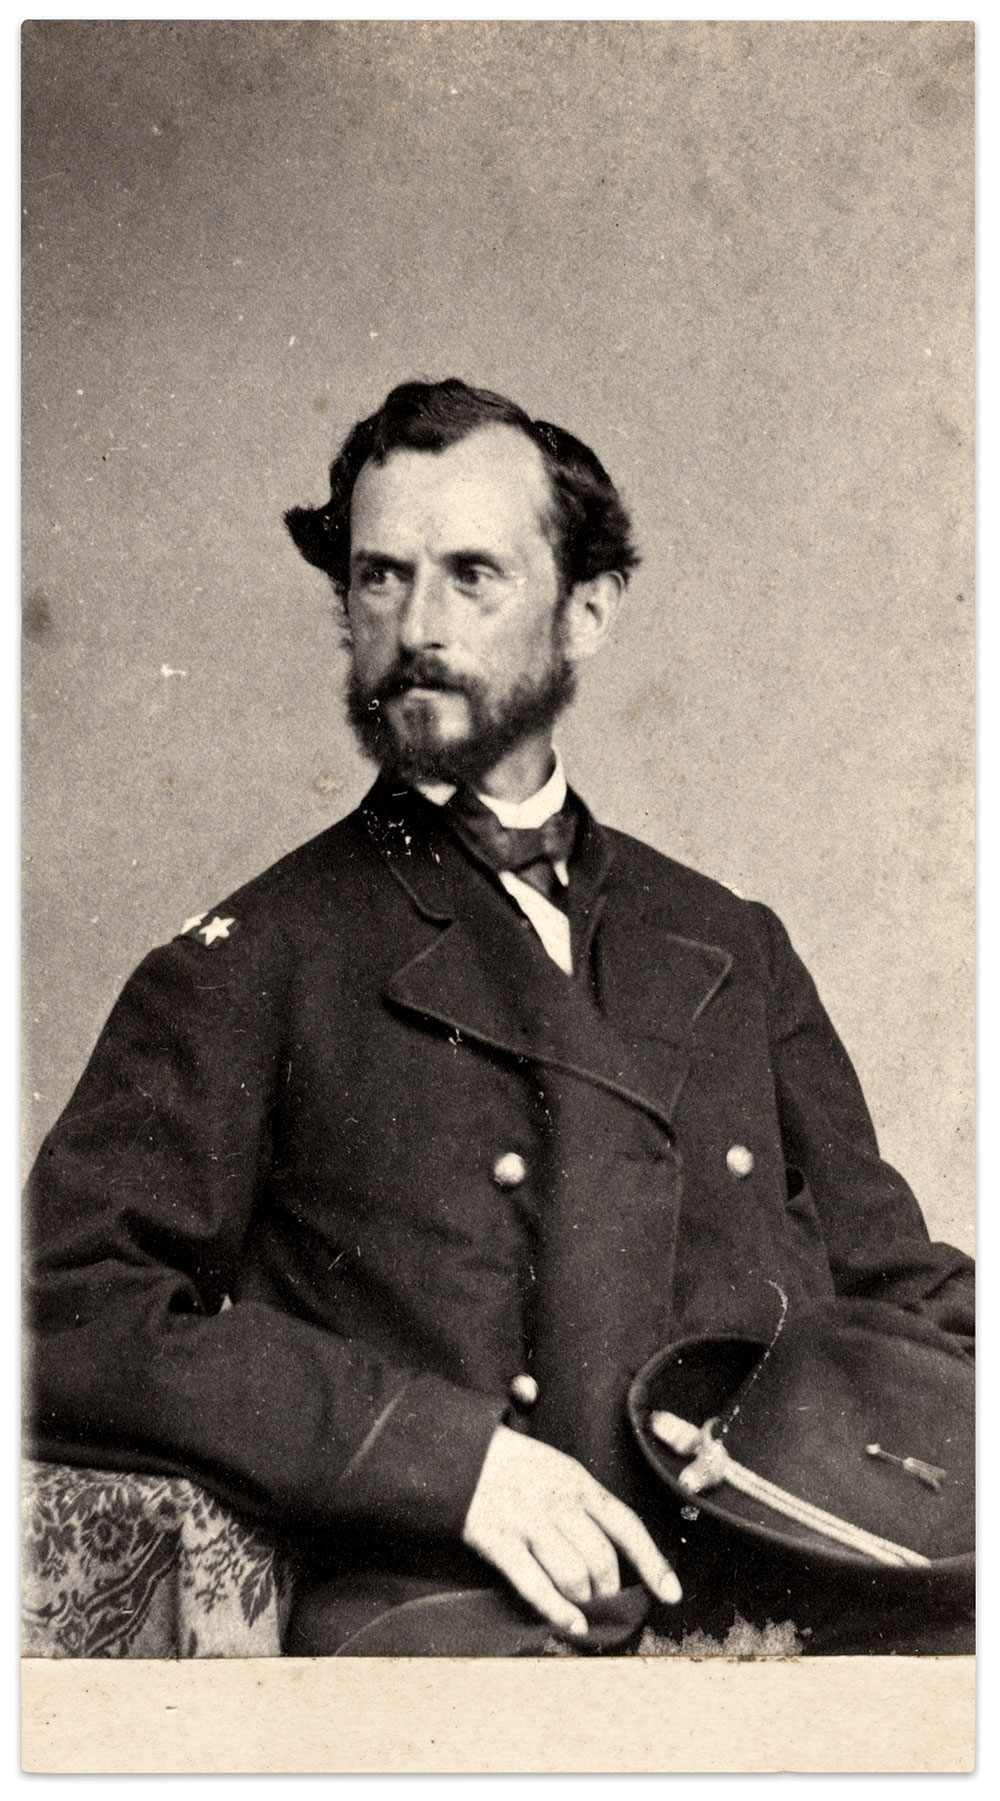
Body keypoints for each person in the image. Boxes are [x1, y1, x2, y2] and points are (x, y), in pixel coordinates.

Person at [25, 378, 974, 1656]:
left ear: (586, 611)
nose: (414, 626)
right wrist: (446, 1459)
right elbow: (64, 1305)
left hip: (781, 1585)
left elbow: (893, 1283)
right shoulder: (256, 960)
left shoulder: (729, 941)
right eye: (377, 578)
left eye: (470, 575)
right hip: (465, 1616)